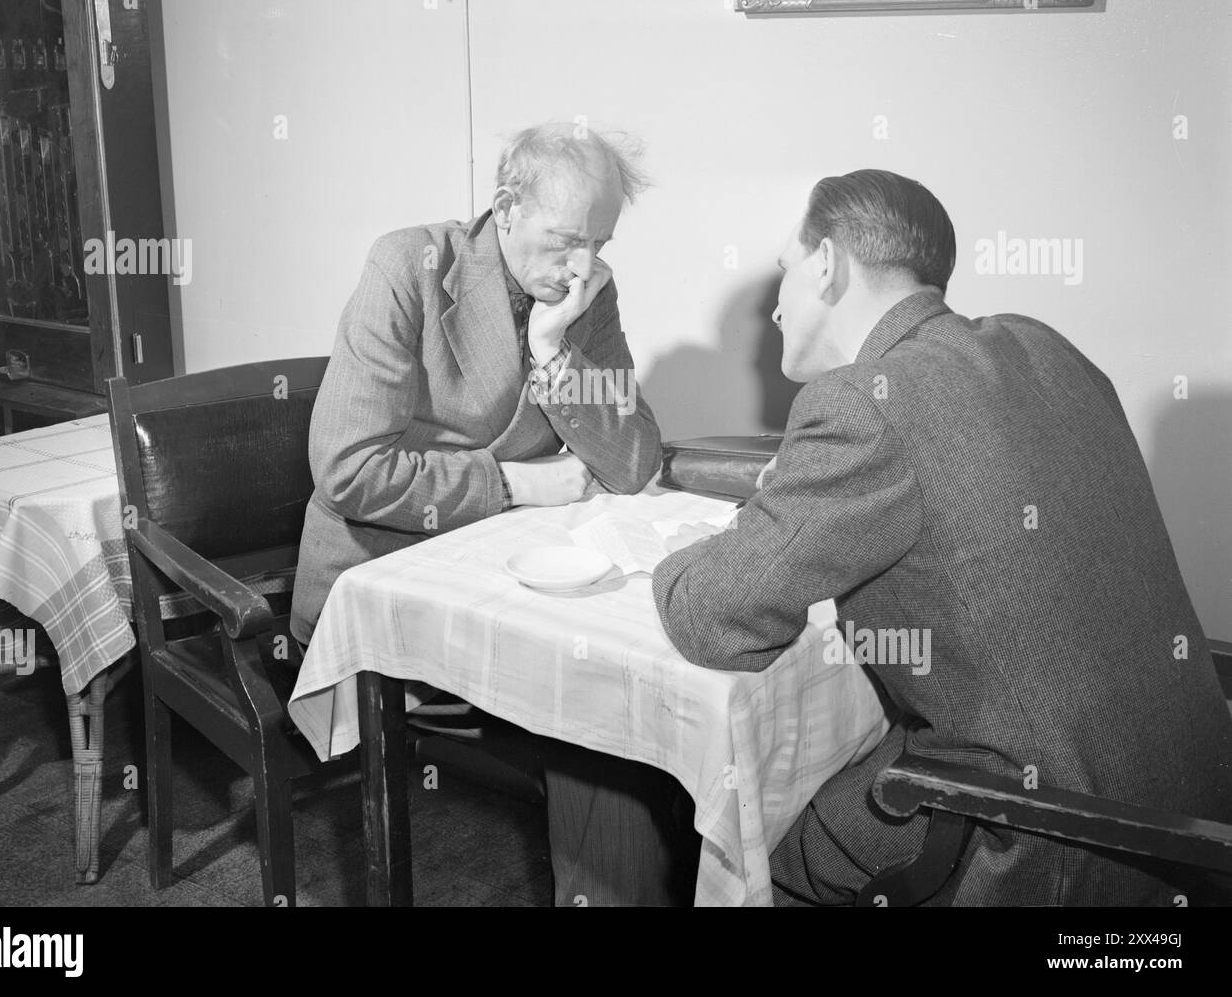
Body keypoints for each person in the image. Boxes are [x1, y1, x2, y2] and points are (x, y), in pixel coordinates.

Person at [652, 168, 1232, 906]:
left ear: (827, 263)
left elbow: (714, 617)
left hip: (1051, 841)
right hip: (1195, 803)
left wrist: (701, 544)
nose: (773, 309)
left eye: (783, 273)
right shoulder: (1046, 347)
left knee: (751, 836)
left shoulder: (864, 403)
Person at [292, 121, 696, 905]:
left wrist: (554, 354)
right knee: (602, 713)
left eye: (601, 242)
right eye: (567, 240)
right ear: (506, 207)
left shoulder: (585, 293)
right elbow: (348, 470)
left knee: (630, 692)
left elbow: (635, 459)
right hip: (385, 577)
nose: (583, 266)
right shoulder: (406, 266)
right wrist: (514, 484)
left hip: (510, 580)